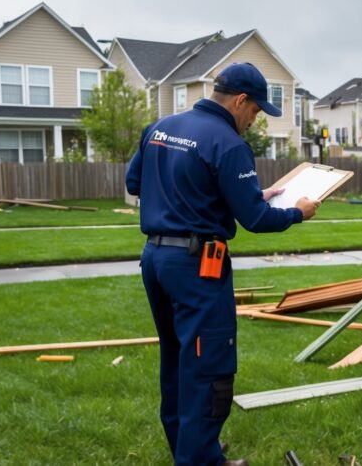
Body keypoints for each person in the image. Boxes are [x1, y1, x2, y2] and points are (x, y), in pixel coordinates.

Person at [125, 62, 320, 466]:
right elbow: (258, 220)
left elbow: (135, 183)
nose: (255, 121)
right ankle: (200, 460)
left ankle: (188, 447)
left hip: (156, 260)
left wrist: (240, 194)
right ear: (240, 100)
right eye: (256, 111)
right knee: (207, 361)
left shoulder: (161, 127)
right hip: (197, 267)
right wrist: (299, 212)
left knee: (177, 356)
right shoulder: (228, 144)